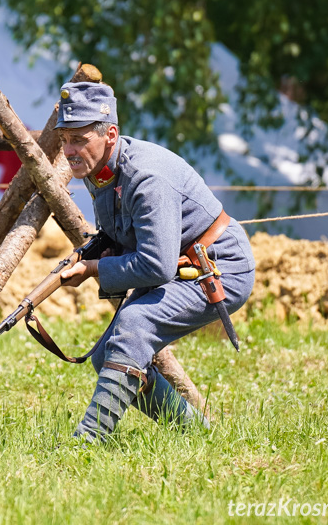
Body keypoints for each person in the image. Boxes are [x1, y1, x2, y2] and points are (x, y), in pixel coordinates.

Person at [56, 75, 255, 444]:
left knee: (134, 324)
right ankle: (198, 434)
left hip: (218, 267)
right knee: (106, 356)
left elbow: (156, 265)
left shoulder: (146, 176)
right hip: (181, 263)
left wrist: (93, 269)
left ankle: (87, 441)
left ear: (110, 135)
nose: (68, 150)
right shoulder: (99, 168)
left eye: (79, 139)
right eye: (64, 139)